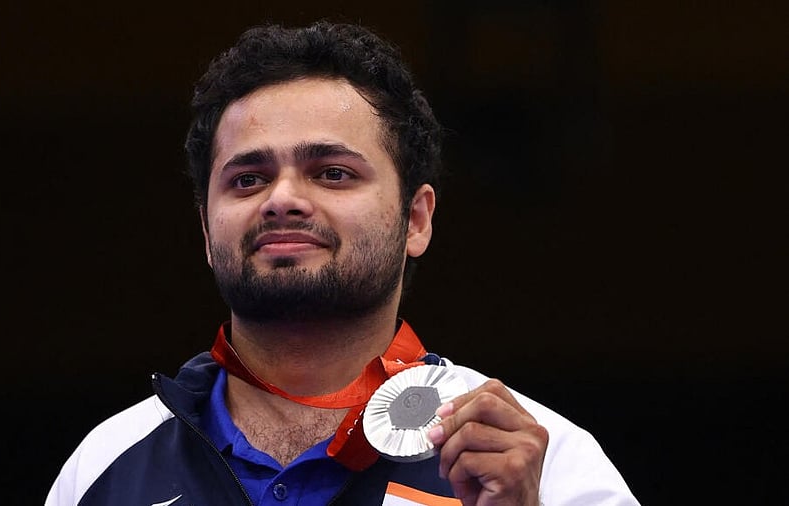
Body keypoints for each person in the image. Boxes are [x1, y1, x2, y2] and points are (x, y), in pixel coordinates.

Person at [46, 20, 640, 506]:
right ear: (206, 229)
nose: (282, 199)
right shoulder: (103, 469)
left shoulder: (545, 464)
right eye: (248, 179)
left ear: (417, 220)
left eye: (333, 173)